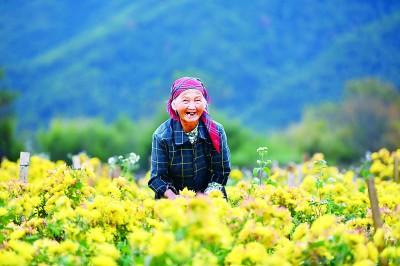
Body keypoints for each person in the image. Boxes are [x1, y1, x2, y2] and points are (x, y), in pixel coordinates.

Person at [148, 77, 231, 199]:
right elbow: (157, 178)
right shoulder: (162, 136)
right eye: (185, 101)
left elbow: (221, 172)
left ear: (205, 103)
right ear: (174, 104)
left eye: (197, 100)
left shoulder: (216, 131)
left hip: (209, 199)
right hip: (172, 202)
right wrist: (175, 198)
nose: (192, 107)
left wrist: (205, 197)